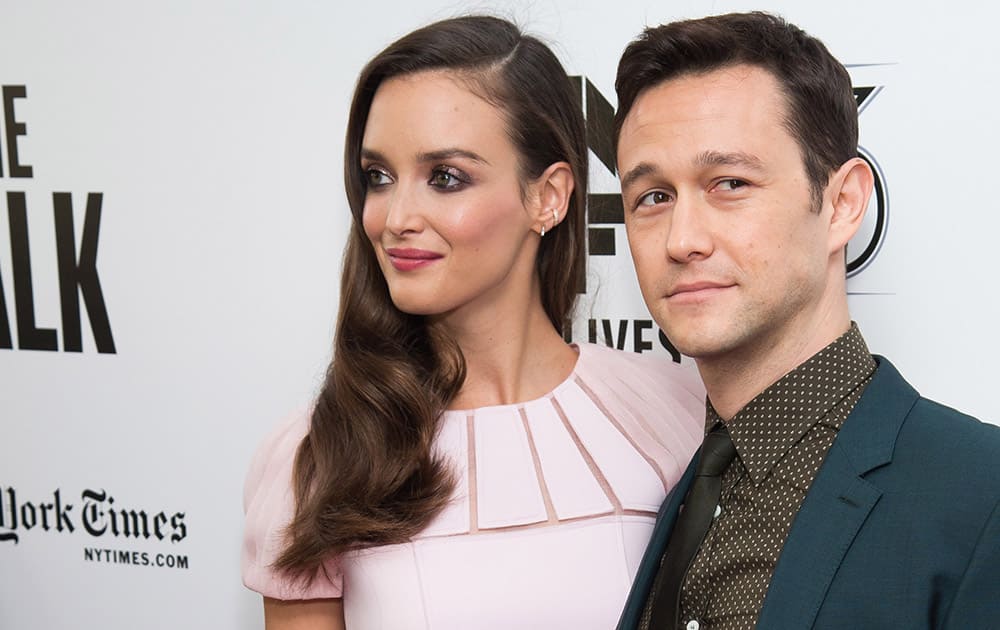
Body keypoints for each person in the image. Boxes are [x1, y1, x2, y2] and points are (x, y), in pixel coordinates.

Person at [241, 15, 704, 630]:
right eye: (378, 177)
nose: (395, 216)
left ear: (548, 196)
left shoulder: (673, 412)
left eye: (445, 178)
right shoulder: (326, 452)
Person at [612, 11, 1000, 630]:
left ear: (843, 203)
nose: (682, 240)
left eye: (730, 183)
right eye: (654, 197)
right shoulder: (680, 485)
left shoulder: (981, 495)